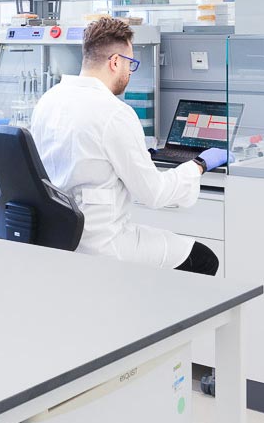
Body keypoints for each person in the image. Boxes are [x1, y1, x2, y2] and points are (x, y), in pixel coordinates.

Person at [29, 17, 224, 275]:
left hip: (58, 239)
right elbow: (153, 194)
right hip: (103, 244)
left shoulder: (48, 100)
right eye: (130, 64)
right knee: (204, 258)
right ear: (115, 62)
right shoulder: (115, 113)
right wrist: (199, 165)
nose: (129, 72)